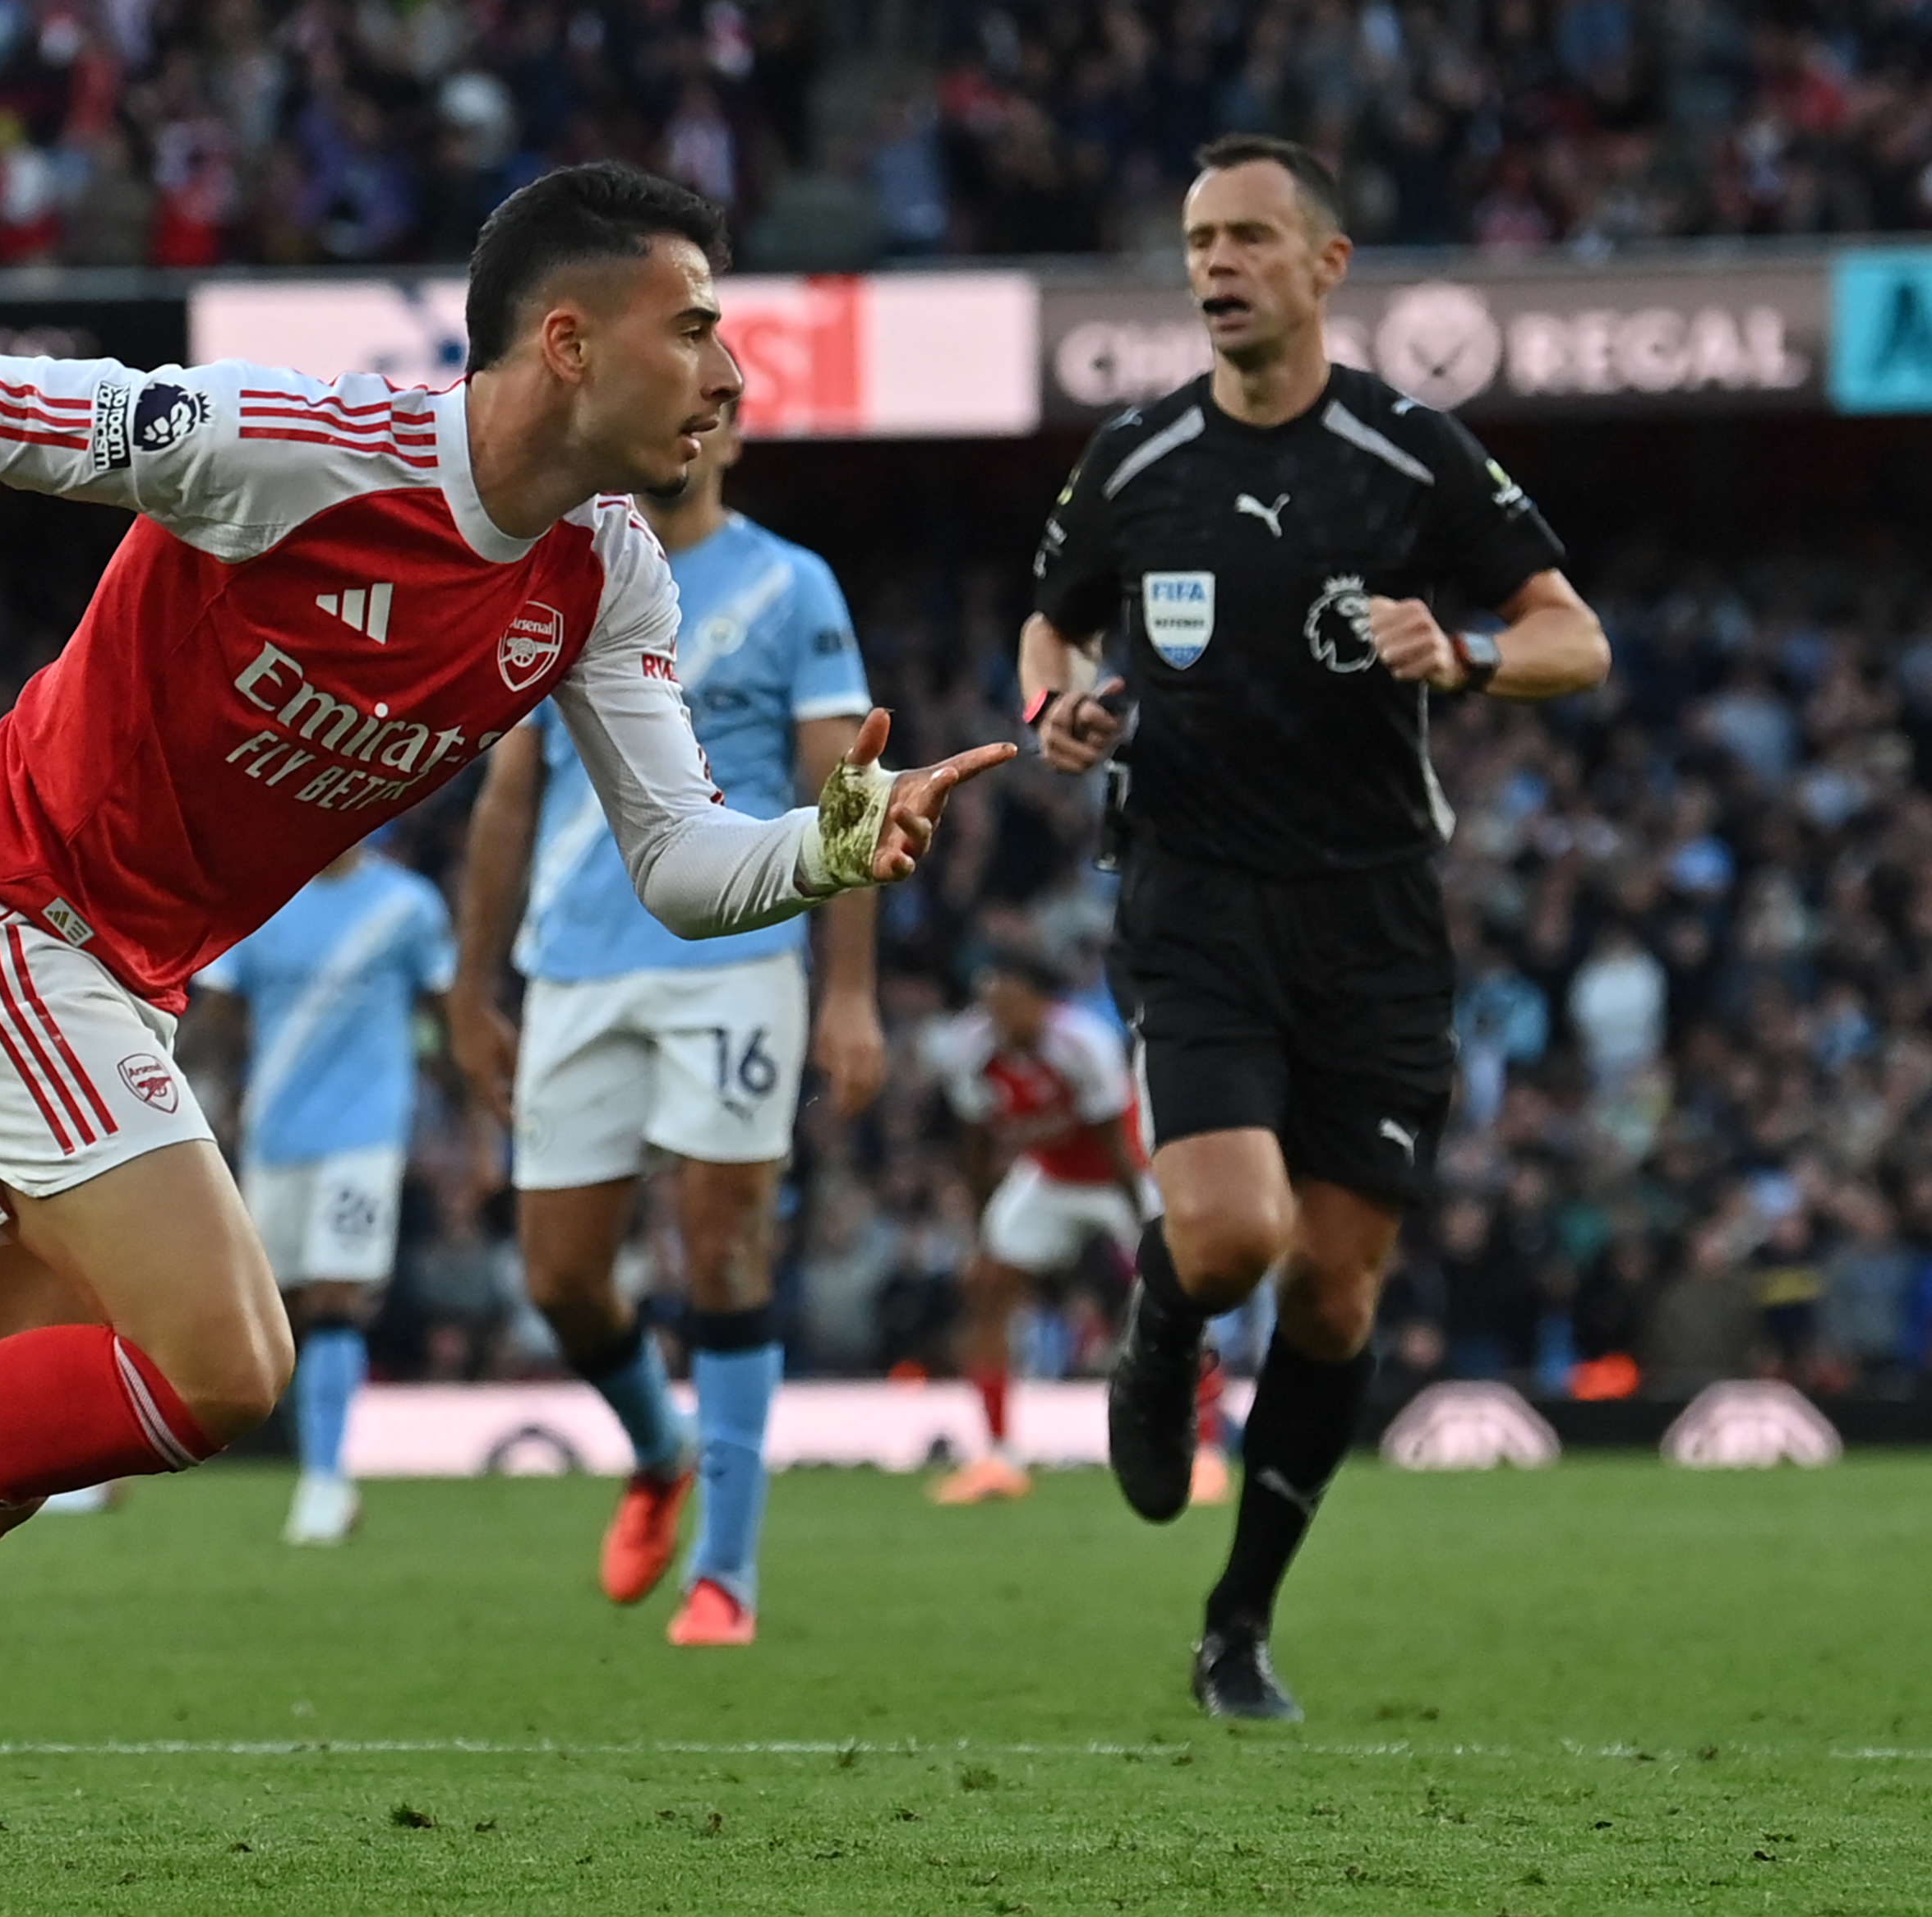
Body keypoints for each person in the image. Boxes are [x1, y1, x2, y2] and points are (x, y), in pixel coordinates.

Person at [0, 159, 1012, 1878]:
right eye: (696, 325)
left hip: (96, 967)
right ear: (568, 340)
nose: (730, 370)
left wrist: (823, 848)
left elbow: (677, 858)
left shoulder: (607, 572)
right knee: (223, 1361)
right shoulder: (307, 449)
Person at [1020, 133, 1608, 1720]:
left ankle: (1237, 1625)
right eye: (1202, 239)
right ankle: (1161, 1331)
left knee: (1339, 1292)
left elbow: (1576, 637)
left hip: (1374, 921)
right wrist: (1055, 705)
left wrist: (1466, 651)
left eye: (1251, 239)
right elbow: (1053, 619)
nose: (1217, 265)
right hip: (1196, 897)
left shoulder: (1412, 454)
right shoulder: (1138, 458)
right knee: (1230, 1238)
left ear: (1326, 266)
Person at [450, 394, 879, 1648]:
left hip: (738, 957)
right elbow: (508, 795)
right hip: (577, 962)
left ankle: (727, 1577)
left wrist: (849, 987)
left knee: (722, 1247)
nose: (696, 423)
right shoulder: (559, 572)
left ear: (736, 438)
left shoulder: (794, 587)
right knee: (564, 1282)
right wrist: (473, 989)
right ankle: (659, 1447)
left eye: (721, 410)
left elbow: (840, 791)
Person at [193, 833, 457, 1544]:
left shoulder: (407, 906)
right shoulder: (260, 897)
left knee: (339, 1294)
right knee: (275, 1308)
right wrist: (227, 1094)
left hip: (367, 1131)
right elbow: (222, 1003)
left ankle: (324, 1480)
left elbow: (440, 1009)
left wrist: (460, 1123)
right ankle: (113, 1463)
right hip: (275, 1131)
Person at [920, 947, 1154, 1504]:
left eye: (1008, 996)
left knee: (1176, 1295)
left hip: (1118, 1174)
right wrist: (982, 1232)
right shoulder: (971, 1047)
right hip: (1049, 1177)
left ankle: (1207, 1447)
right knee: (987, 1291)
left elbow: (1111, 1142)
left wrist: (1145, 1224)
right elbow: (974, 1146)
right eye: (990, 997)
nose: (996, 1008)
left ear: (1040, 1001)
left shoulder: (1083, 1043)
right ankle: (999, 1456)